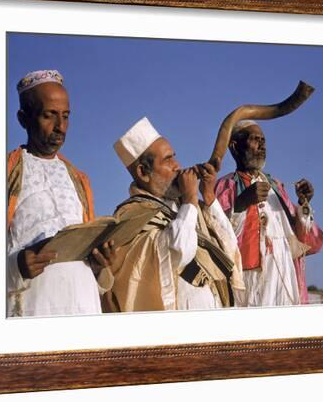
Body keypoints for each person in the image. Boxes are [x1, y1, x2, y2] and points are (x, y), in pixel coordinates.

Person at [104, 117, 244, 313]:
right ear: (143, 172)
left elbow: (229, 244)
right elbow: (178, 251)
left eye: (174, 157)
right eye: (168, 160)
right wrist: (189, 199)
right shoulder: (131, 216)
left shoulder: (185, 207)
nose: (177, 165)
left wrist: (209, 196)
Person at [6, 69, 113, 317]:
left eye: (65, 117)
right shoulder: (4, 172)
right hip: (34, 308)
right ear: (23, 119)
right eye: (49, 116)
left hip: (84, 305)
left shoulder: (79, 179)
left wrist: (99, 263)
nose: (60, 127)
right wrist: (16, 267)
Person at [215, 120, 323, 306]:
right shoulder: (226, 186)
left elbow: (301, 239)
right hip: (251, 278)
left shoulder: (277, 186)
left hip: (285, 272)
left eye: (263, 140)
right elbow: (216, 234)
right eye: (254, 139)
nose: (262, 145)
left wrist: (303, 203)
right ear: (234, 147)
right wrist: (241, 203)